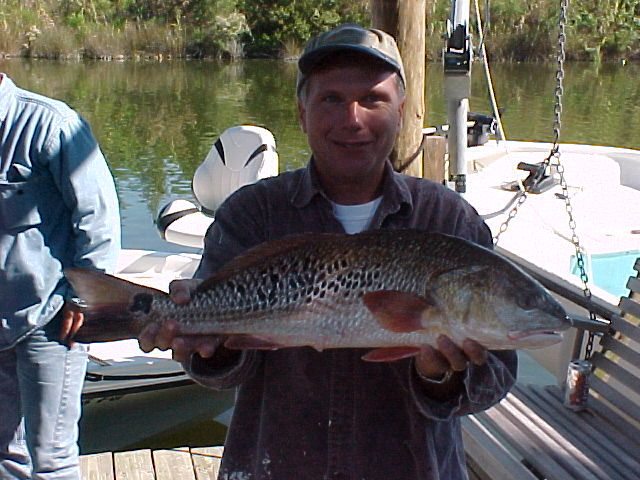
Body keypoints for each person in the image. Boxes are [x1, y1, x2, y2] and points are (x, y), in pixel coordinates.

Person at [139, 24, 517, 480]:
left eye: (373, 99)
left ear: (401, 112)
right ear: (302, 114)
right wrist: (205, 347)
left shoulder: (448, 219)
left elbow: (496, 377)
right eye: (331, 99)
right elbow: (221, 372)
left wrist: (441, 376)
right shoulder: (253, 213)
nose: (352, 119)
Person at [0, 73, 120, 480]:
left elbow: (99, 220)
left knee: (50, 458)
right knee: (3, 453)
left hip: (50, 320)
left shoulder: (53, 125)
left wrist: (82, 299)